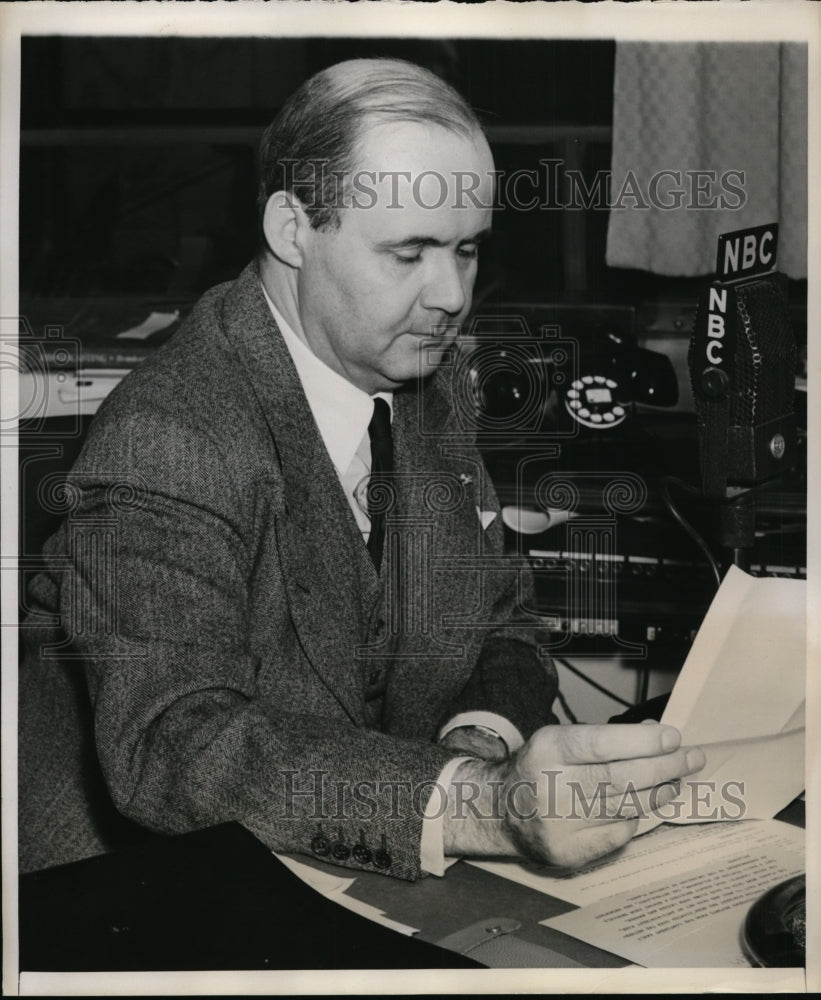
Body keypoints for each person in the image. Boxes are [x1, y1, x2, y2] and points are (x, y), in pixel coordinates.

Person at [19, 58, 704, 879]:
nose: (450, 294)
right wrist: (483, 806)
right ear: (292, 229)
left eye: (466, 250)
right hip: (133, 899)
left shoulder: (419, 374)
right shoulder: (168, 436)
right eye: (408, 253)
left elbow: (503, 616)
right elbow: (178, 743)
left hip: (336, 863)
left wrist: (475, 744)